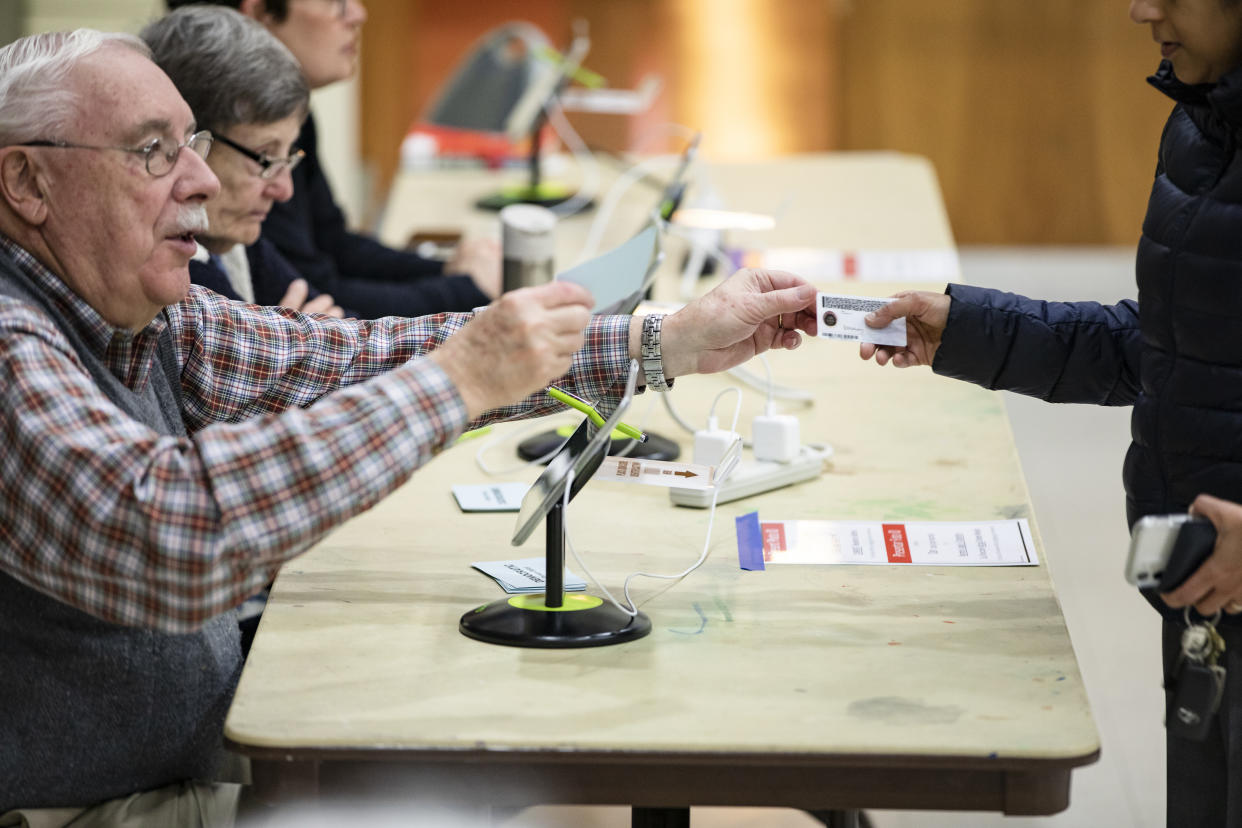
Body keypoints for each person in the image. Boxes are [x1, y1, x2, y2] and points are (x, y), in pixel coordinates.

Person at [0, 28, 818, 824]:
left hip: (199, 754)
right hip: (99, 807)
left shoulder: (139, 312)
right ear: (27, 182)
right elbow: (170, 533)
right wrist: (459, 380)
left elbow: (341, 358)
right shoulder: (11, 344)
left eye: (194, 144)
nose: (201, 182)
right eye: (152, 151)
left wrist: (661, 341)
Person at [858, 1, 1242, 824]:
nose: (1143, 9)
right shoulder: (1205, 126)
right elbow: (1168, 355)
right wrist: (969, 330)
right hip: (1207, 593)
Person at [164, 0, 502, 319]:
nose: (358, 13)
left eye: (286, 159)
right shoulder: (195, 256)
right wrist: (463, 290)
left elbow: (332, 260)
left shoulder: (238, 238)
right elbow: (318, 308)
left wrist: (448, 273)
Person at [143, 6, 348, 319]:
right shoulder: (174, 274)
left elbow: (342, 331)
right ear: (187, 144)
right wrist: (283, 346)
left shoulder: (235, 241)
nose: (283, 190)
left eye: (287, 157)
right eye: (265, 157)